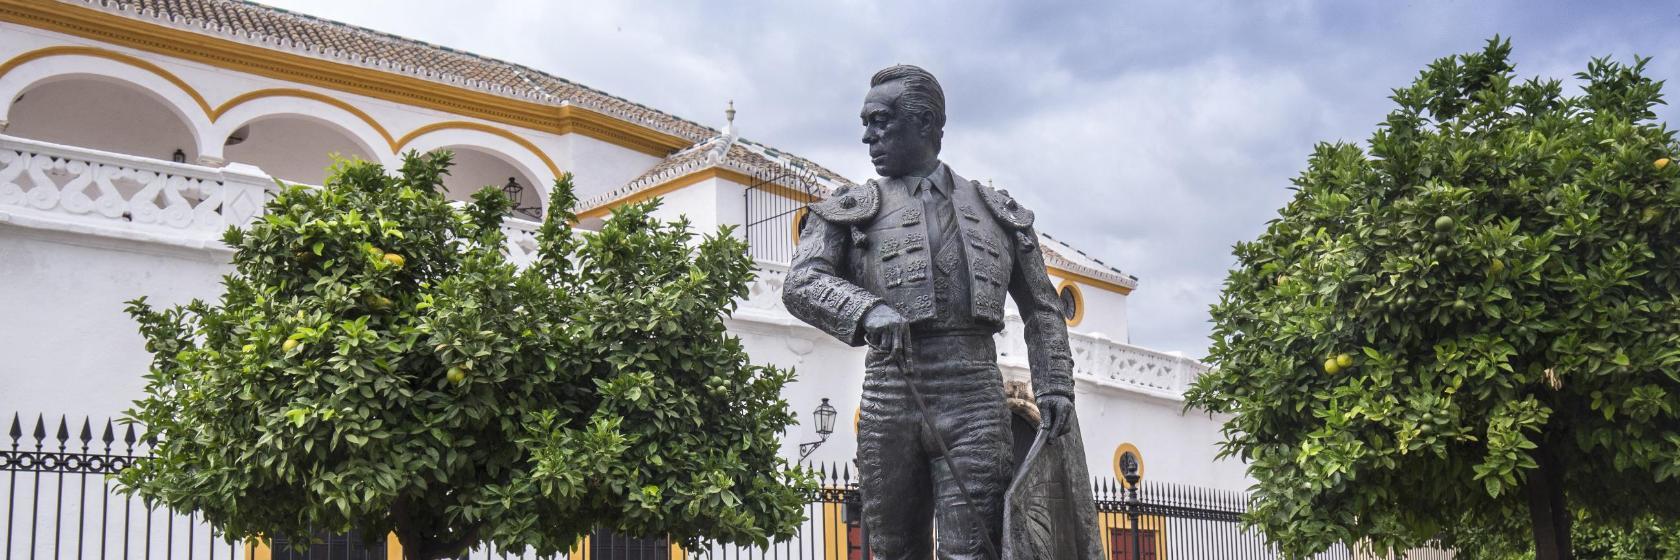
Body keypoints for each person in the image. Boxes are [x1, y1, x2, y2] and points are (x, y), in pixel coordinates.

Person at [783, 64, 1081, 560]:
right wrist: (866, 309)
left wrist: (1054, 385)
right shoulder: (851, 208)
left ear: (925, 124)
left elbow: (1043, 308)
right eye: (866, 122)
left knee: (974, 550)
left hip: (974, 393)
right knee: (895, 550)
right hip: (891, 389)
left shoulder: (995, 209)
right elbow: (801, 282)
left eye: (880, 121)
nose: (866, 136)